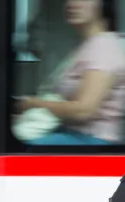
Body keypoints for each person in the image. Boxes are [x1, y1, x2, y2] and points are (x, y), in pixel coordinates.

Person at [16, 0, 124, 145]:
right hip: (72, 134)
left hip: (91, 141)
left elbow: (84, 110)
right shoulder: (88, 45)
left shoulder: (104, 46)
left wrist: (32, 104)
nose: (73, 4)